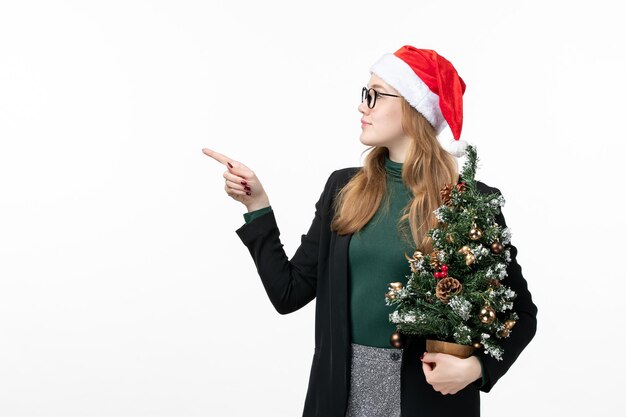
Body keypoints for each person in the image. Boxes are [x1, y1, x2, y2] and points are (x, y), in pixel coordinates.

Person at [203, 45, 537, 417]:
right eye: (366, 95)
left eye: (375, 95)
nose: (363, 106)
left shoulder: (468, 202)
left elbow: (521, 314)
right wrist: (257, 206)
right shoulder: (343, 188)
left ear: (413, 107)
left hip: (427, 401)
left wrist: (476, 368)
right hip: (339, 397)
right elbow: (289, 292)